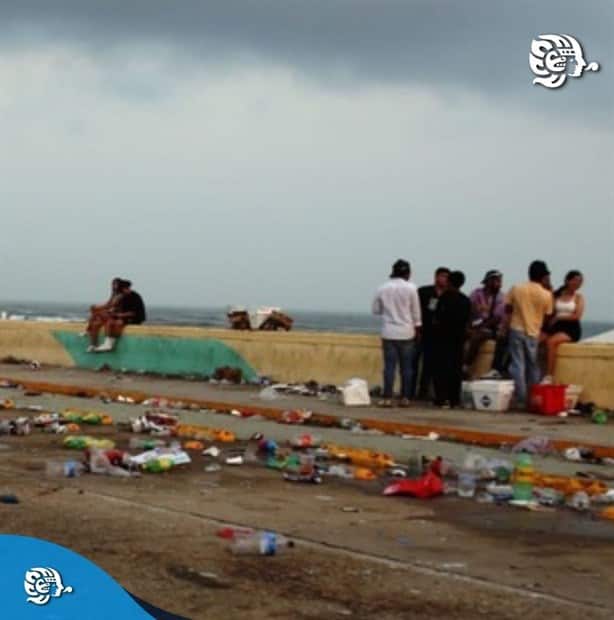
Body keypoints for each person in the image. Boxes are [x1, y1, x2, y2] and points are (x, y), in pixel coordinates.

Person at [372, 259, 422, 407]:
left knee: (389, 367)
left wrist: (388, 312)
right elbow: (416, 313)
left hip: (388, 332)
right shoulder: (412, 288)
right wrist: (418, 328)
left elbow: (375, 310)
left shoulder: (382, 288)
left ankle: (387, 397)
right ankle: (405, 397)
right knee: (406, 368)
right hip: (406, 332)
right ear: (408, 273)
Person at [505, 260, 553, 408]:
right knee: (533, 366)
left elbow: (508, 308)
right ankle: (533, 398)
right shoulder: (546, 294)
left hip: (517, 329)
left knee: (518, 365)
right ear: (543, 276)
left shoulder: (517, 288)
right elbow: (548, 315)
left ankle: (521, 399)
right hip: (534, 333)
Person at [432, 270, 471, 408]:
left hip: (442, 339)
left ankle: (441, 398)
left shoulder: (443, 298)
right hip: (458, 339)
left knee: (441, 369)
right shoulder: (465, 300)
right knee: (456, 370)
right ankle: (454, 399)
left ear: (449, 282)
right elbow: (468, 322)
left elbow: (435, 318)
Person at [413, 267, 450, 399]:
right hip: (422, 331)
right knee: (414, 363)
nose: (445, 279)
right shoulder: (424, 291)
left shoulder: (450, 295)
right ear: (436, 277)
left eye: (447, 277)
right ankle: (411, 392)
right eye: (443, 276)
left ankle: (425, 392)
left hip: (439, 335)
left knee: (430, 365)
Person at [464, 269, 508, 378]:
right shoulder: (476, 293)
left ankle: (466, 365)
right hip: (475, 325)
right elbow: (468, 310)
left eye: (500, 281)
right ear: (489, 281)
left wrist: (479, 328)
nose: (500, 284)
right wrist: (468, 326)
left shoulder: (500, 297)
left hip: (493, 329)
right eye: (497, 281)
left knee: (478, 336)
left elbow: (496, 318)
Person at [543, 270, 585, 382]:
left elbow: (577, 316)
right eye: (575, 280)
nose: (577, 283)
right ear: (567, 280)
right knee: (537, 340)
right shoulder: (557, 294)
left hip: (571, 328)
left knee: (551, 342)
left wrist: (558, 318)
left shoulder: (579, 297)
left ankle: (549, 375)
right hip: (556, 326)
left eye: (580, 282)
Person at [93, 280, 146, 353]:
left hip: (135, 318)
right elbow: (119, 308)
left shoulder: (135, 297)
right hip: (125, 316)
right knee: (109, 321)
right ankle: (107, 343)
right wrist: (112, 312)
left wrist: (118, 315)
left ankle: (111, 343)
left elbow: (132, 313)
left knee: (118, 323)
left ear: (125, 289)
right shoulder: (124, 296)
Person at [85, 278, 124, 351]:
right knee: (95, 324)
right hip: (110, 313)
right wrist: (97, 307)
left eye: (115, 284)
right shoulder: (114, 294)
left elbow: (112, 305)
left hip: (116, 315)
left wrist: (99, 309)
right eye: (112, 284)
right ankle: (93, 345)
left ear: (120, 285)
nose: (113, 286)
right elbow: (108, 304)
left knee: (96, 312)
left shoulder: (121, 295)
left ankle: (88, 330)